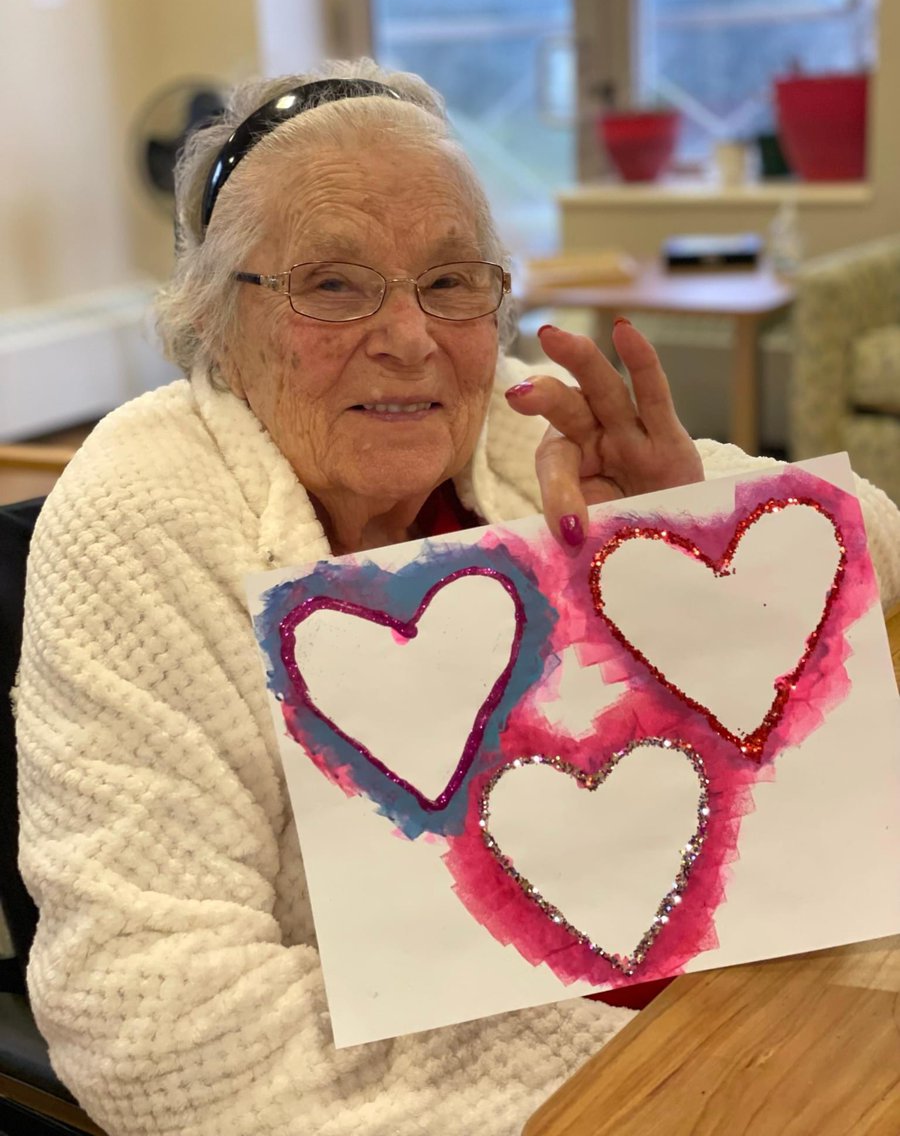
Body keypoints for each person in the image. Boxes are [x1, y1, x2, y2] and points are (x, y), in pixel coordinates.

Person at [15, 60, 900, 1136]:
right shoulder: (140, 511)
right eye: (332, 284)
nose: (410, 335)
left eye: (450, 281)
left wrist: (690, 519)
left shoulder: (526, 434)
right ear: (216, 322)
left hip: (739, 1017)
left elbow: (879, 553)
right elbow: (152, 1020)